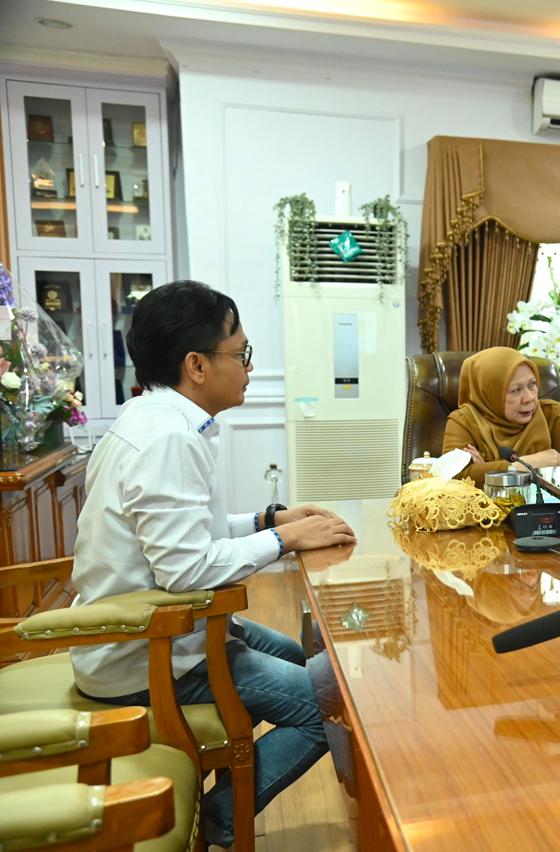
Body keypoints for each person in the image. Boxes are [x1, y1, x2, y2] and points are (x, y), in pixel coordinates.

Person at [70, 280, 357, 848]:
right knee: (332, 705)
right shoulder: (167, 439)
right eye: (241, 353)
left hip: (163, 631)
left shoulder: (154, 418)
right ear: (196, 365)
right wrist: (285, 539)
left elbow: (184, 535)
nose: (250, 367)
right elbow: (185, 571)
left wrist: (269, 520)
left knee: (304, 658)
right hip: (147, 656)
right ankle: (214, 819)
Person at [442, 347, 560, 485]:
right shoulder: (463, 421)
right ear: (490, 393)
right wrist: (523, 466)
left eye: (532, 384)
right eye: (516, 390)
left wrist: (486, 470)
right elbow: (453, 476)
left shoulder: (552, 413)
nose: (530, 398)